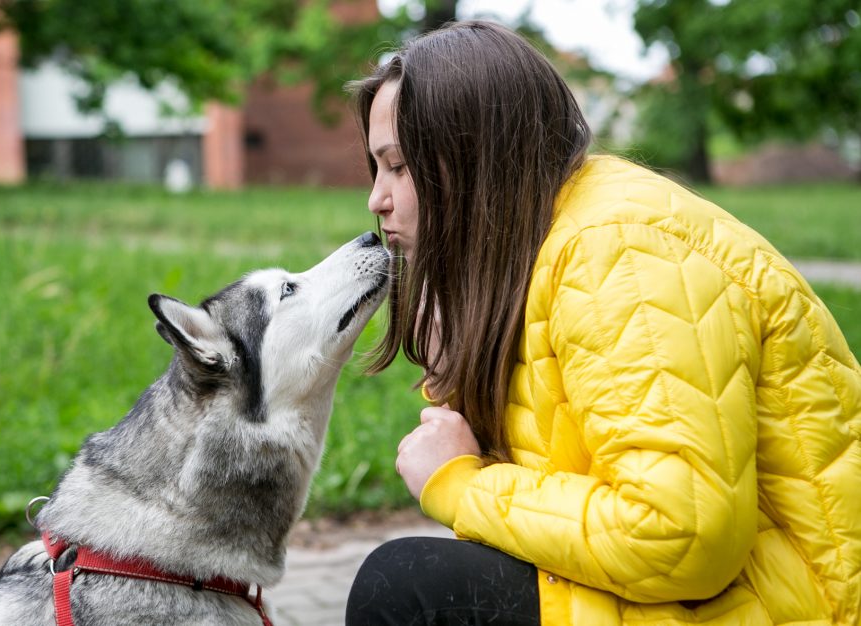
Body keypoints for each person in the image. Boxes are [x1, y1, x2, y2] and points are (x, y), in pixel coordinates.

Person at [343, 19, 861, 626]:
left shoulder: (621, 257)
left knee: (408, 588)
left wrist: (461, 484)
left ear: (473, 153)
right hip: (713, 596)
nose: (377, 200)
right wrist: (460, 371)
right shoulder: (550, 241)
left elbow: (679, 534)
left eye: (399, 167)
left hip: (791, 605)